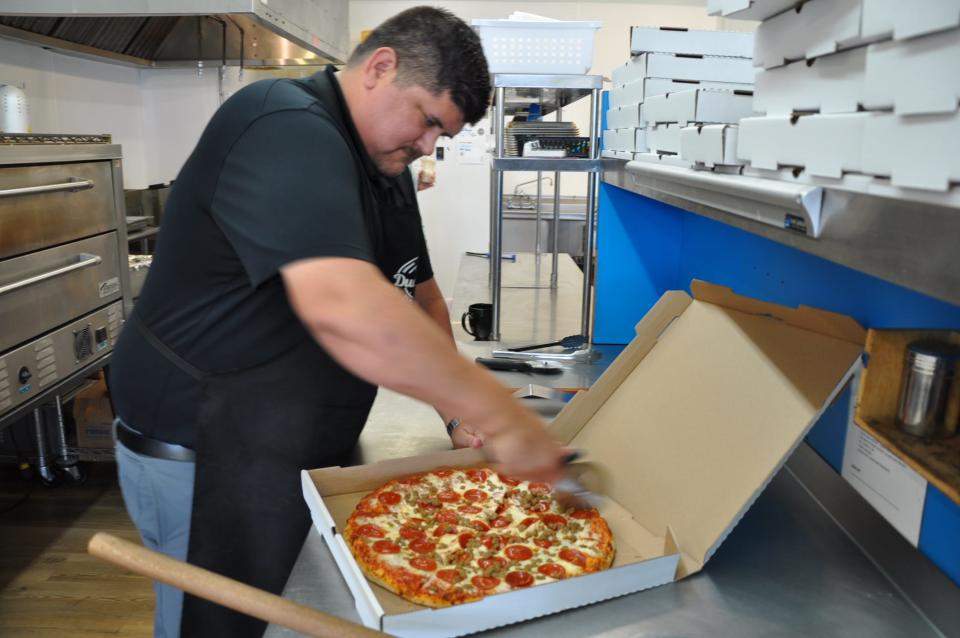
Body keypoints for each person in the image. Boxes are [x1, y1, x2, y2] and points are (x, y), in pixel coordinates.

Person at [108, 7, 564, 637]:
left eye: (443, 135)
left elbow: (420, 297)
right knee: (215, 628)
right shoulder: (281, 122)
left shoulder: (387, 164)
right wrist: (505, 417)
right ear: (381, 67)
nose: (431, 145)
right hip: (202, 450)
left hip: (292, 445)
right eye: (430, 120)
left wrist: (460, 416)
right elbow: (344, 306)